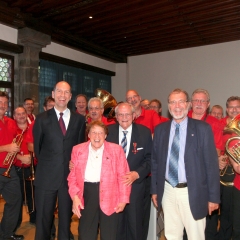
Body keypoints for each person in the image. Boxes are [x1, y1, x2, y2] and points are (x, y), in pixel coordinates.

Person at [151, 88, 220, 240]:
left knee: (195, 236)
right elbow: (155, 162)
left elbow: (211, 165)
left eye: (181, 101)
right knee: (171, 234)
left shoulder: (202, 129)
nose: (177, 106)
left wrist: (214, 197)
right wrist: (155, 190)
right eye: (173, 102)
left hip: (193, 192)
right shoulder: (161, 130)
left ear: (188, 104)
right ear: (169, 106)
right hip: (168, 190)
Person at [33, 81, 86, 240]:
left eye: (66, 92)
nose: (62, 95)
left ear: (70, 96)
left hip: (68, 179)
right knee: (43, 220)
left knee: (65, 222)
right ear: (53, 94)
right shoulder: (41, 119)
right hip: (46, 178)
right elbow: (38, 149)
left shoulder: (79, 120)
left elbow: (79, 147)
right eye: (59, 91)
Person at [68, 120, 131, 240]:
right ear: (88, 135)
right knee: (86, 233)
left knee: (109, 235)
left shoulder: (116, 150)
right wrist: (75, 197)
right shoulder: (77, 150)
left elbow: (123, 176)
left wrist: (123, 200)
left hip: (111, 196)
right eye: (94, 132)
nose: (97, 136)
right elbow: (72, 178)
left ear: (105, 135)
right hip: (86, 195)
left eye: (100, 133)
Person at [107, 102, 152, 240]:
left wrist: (136, 174)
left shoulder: (144, 132)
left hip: (136, 187)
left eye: (127, 114)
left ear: (134, 115)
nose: (124, 117)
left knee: (135, 226)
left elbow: (150, 159)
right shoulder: (107, 132)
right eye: (121, 114)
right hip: (113, 188)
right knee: (116, 226)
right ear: (116, 116)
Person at [187, 88, 223, 239]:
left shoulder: (214, 123)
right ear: (191, 103)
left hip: (206, 178)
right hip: (184, 178)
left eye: (203, 101)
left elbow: (217, 151)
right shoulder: (182, 118)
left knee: (209, 220)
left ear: (208, 104)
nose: (199, 103)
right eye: (196, 100)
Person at [126, 90, 160, 240]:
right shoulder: (124, 118)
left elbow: (158, 136)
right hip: (128, 174)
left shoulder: (151, 115)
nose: (132, 100)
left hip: (146, 174)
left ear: (139, 98)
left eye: (134, 97)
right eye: (129, 98)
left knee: (142, 214)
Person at [0, 91, 24, 240]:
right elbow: (9, 147)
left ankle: (5, 234)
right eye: (0, 102)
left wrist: (20, 156)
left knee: (15, 201)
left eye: (5, 103)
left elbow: (16, 144)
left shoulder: (10, 122)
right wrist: (5, 148)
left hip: (10, 169)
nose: (2, 105)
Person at [217, 96, 240, 240]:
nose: (234, 110)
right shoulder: (219, 125)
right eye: (231, 107)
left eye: (237, 107)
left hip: (236, 174)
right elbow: (216, 145)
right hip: (226, 173)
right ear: (227, 109)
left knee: (236, 214)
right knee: (226, 211)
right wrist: (218, 158)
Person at [13, 107, 36, 228]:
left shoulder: (33, 127)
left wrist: (33, 156)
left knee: (34, 194)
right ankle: (16, 223)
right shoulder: (12, 129)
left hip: (33, 166)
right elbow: (8, 150)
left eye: (23, 113)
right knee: (18, 198)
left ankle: (34, 218)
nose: (21, 116)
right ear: (14, 116)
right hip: (18, 168)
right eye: (18, 114)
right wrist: (19, 158)